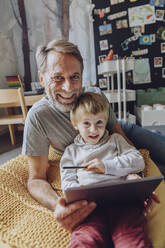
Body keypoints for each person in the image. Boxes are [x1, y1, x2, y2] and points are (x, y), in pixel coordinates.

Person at [22, 39, 159, 238]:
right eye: (58, 77)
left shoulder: (95, 94)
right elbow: (35, 179)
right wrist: (59, 206)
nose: (68, 88)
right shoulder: (38, 117)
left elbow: (120, 137)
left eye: (74, 76)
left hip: (117, 134)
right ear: (42, 79)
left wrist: (135, 180)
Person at [60, 92, 152, 247]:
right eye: (86, 124)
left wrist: (107, 166)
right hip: (89, 209)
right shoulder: (71, 152)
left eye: (99, 122)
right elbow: (67, 183)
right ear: (75, 124)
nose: (94, 130)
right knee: (84, 240)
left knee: (132, 240)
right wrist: (80, 195)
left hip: (123, 203)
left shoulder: (115, 140)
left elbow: (138, 160)